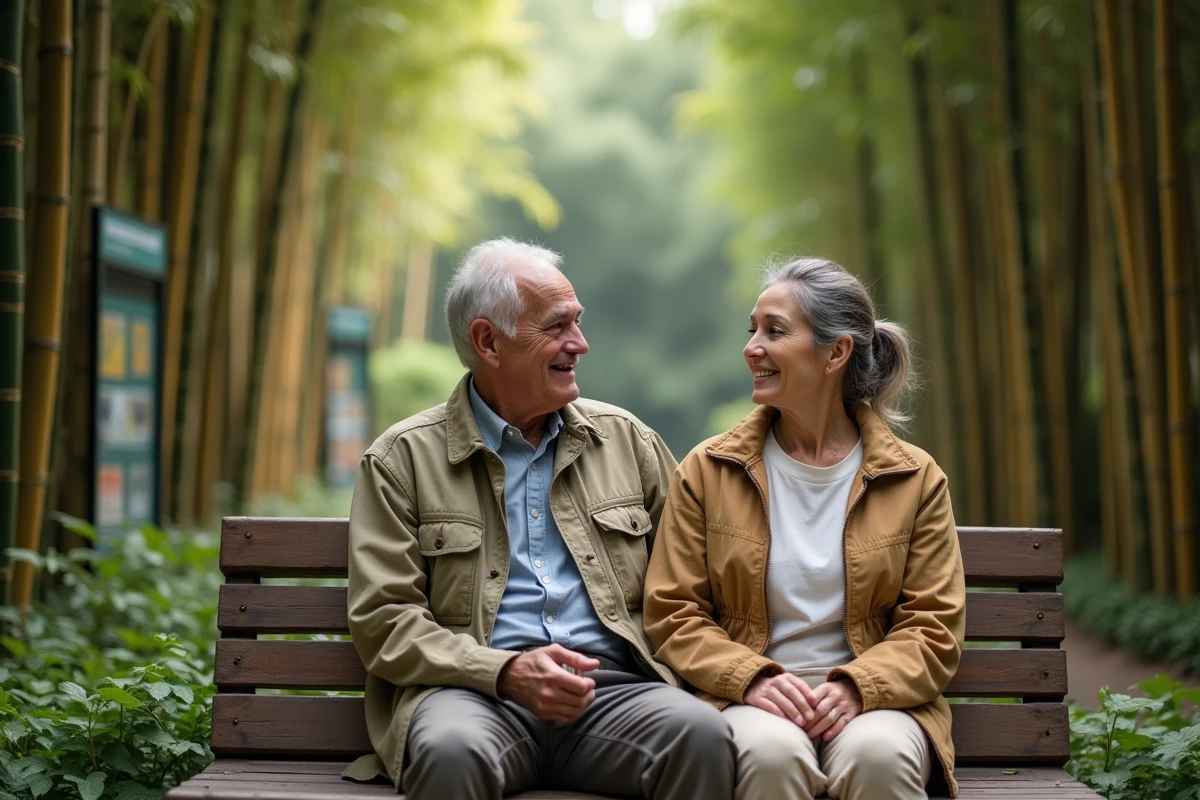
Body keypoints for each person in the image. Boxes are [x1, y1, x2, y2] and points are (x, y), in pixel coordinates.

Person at [343, 238, 735, 800]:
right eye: (557, 328)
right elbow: (385, 621)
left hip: (615, 693)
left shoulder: (627, 441)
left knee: (699, 736)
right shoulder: (402, 459)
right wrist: (503, 671)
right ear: (488, 342)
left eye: (577, 323)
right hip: (474, 696)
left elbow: (694, 585)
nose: (580, 344)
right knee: (451, 753)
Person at [643, 257, 967, 800]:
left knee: (879, 758)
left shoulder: (915, 477)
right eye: (752, 330)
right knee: (770, 757)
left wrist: (859, 687)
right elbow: (674, 613)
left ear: (836, 352)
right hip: (749, 699)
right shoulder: (707, 469)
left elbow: (933, 627)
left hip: (877, 702)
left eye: (775, 331)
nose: (752, 348)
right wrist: (753, 678)